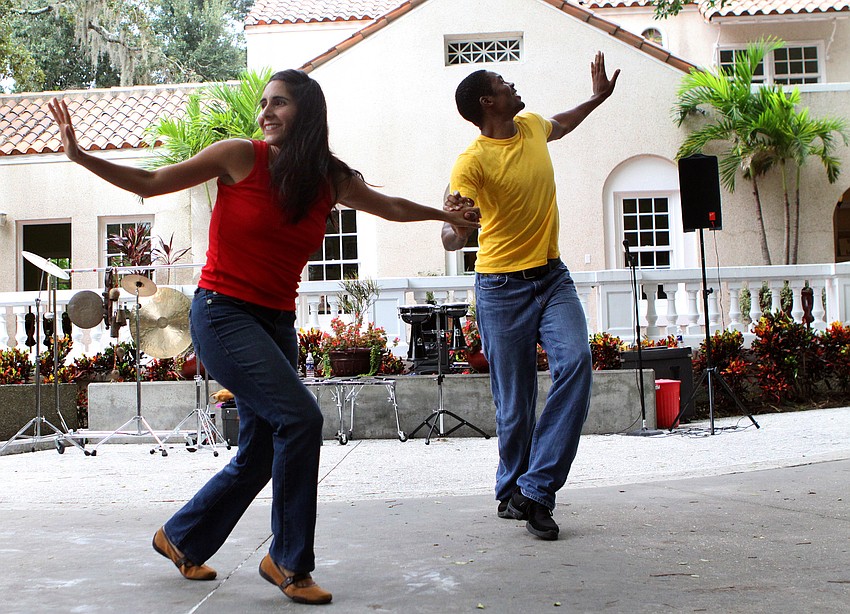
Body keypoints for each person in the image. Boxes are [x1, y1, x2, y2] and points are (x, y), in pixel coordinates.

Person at [48, 69, 478, 605]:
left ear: (308, 113)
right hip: (223, 316)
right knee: (300, 418)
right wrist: (80, 155)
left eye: (279, 103)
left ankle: (181, 538)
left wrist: (444, 214)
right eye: (264, 104)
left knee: (258, 452)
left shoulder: (329, 178)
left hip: (276, 323)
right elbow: (151, 183)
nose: (266, 112)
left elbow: (388, 208)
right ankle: (289, 563)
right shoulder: (239, 155)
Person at [441, 52, 619, 541]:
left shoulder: (533, 126)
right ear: (487, 101)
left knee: (576, 362)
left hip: (552, 277)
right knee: (515, 403)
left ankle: (536, 489)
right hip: (500, 286)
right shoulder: (471, 161)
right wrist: (458, 226)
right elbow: (450, 234)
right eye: (502, 81)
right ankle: (509, 491)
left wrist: (597, 99)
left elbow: (563, 122)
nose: (511, 83)